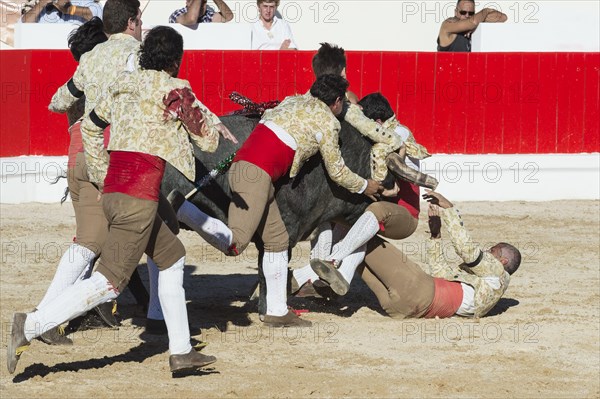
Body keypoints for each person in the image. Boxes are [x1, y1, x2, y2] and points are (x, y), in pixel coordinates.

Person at [7, 25, 236, 376]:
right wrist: (209, 121)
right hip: (139, 198)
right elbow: (206, 142)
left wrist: (100, 170)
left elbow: (90, 125)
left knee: (172, 257)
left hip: (114, 190)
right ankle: (32, 325)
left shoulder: (124, 85)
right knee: (109, 281)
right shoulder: (175, 90)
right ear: (176, 62)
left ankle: (181, 351)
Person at [168, 74, 383, 328]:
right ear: (336, 102)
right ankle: (183, 208)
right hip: (255, 174)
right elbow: (337, 172)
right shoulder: (328, 122)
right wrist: (365, 185)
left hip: (255, 172)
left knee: (277, 240)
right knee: (236, 243)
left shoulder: (291, 101)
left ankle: (277, 311)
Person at [293, 92, 432, 296]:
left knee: (373, 211)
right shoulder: (380, 134)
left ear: (376, 122)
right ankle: (325, 281)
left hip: (404, 214)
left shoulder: (399, 134)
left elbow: (387, 168)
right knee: (331, 215)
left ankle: (326, 264)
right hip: (374, 208)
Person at [317, 190, 521, 319]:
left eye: (491, 251)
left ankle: (321, 259)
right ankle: (330, 277)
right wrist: (435, 236)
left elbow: (467, 250)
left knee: (364, 234)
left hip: (419, 290)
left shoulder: (496, 271)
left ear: (502, 260)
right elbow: (440, 271)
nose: (486, 252)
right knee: (357, 244)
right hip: (400, 309)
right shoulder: (488, 288)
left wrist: (449, 209)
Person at [311, 43, 436, 189]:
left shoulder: (303, 102)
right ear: (343, 72)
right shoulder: (349, 103)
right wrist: (399, 145)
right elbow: (371, 133)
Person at [437, 0, 507, 52]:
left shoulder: (475, 23)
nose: (467, 16)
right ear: (456, 12)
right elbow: (473, 22)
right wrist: (486, 11)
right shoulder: (448, 24)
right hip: (448, 70)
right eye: (463, 12)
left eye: (471, 13)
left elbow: (503, 18)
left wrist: (475, 22)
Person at [21, 0, 103, 24]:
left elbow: (96, 15)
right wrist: (41, 4)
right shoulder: (41, 4)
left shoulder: (82, 1)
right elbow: (24, 24)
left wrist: (70, 10)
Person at [169, 0, 233, 25]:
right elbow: (191, 19)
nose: (200, 5)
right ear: (187, 2)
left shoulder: (207, 16)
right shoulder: (178, 14)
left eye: (203, 2)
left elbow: (228, 16)